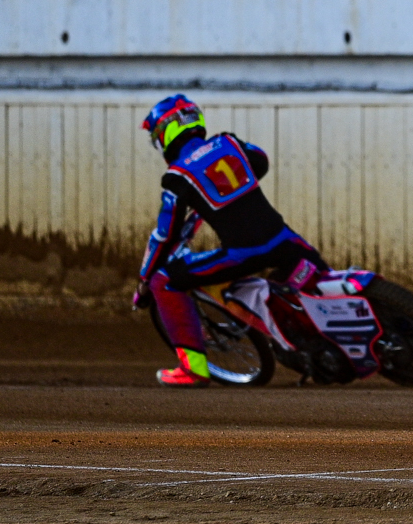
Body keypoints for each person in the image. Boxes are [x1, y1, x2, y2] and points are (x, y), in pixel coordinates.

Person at [133, 95, 330, 387]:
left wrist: (145, 279)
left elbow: (165, 235)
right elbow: (260, 160)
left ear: (168, 131)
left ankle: (194, 370)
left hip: (244, 255)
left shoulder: (177, 177)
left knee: (165, 281)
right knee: (326, 285)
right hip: (284, 240)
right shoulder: (229, 143)